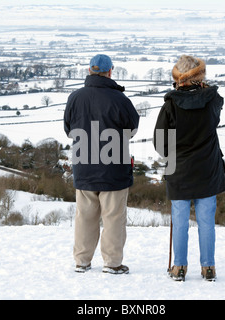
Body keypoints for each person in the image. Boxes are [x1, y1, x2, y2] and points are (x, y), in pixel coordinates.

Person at [64, 54, 140, 275]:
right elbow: (132, 130)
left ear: (89, 71)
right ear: (110, 71)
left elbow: (69, 130)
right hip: (114, 167)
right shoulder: (121, 100)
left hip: (84, 164)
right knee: (114, 216)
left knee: (84, 216)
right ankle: (112, 263)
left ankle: (82, 261)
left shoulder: (75, 97)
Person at [153, 55, 225, 282]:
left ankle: (179, 267)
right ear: (200, 76)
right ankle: (208, 267)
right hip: (207, 167)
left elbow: (160, 143)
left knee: (180, 220)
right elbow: (216, 109)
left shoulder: (171, 105)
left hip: (179, 168)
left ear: (178, 78)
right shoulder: (213, 101)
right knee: (206, 221)